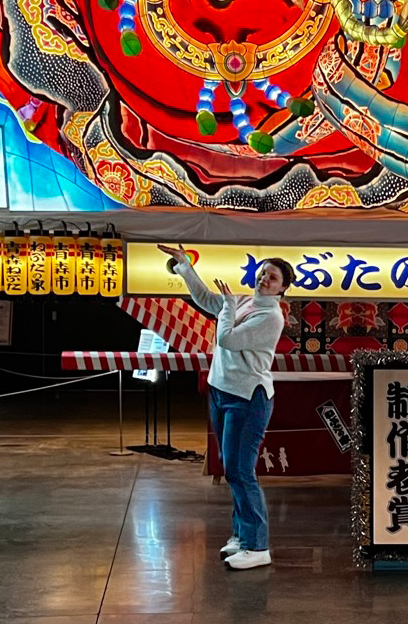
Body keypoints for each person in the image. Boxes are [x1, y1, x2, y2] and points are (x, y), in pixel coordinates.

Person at [157, 242, 294, 570]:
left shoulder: (270, 316)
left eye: (271, 277)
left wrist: (229, 307)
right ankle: (242, 535)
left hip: (248, 398)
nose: (263, 278)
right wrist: (185, 267)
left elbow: (228, 338)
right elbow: (207, 301)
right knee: (231, 468)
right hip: (222, 391)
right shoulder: (245, 301)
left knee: (240, 470)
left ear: (282, 287)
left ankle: (258, 545)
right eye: (262, 273)